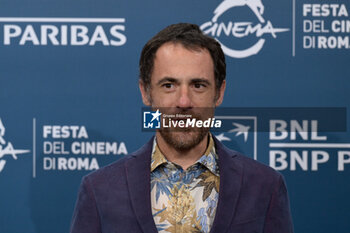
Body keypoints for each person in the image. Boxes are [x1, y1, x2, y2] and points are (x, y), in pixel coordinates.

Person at [70, 23, 294, 233]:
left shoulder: (265, 187)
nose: (184, 102)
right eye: (169, 85)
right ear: (146, 92)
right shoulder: (99, 190)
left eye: (198, 85)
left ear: (219, 92)